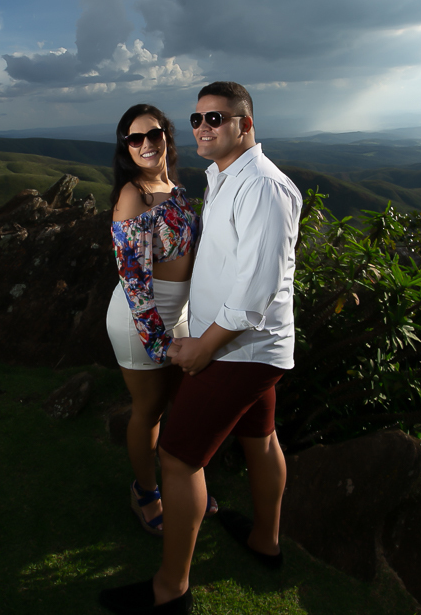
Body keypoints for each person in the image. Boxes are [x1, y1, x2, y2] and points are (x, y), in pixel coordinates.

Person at [99, 82, 301, 615]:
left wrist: (201, 347)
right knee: (260, 436)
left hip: (235, 346)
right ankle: (264, 539)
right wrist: (169, 338)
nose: (204, 127)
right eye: (198, 119)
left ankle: (170, 589)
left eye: (217, 118)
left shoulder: (260, 187)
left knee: (179, 456)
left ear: (245, 124)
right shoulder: (221, 178)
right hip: (207, 335)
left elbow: (255, 292)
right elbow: (136, 275)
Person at [105, 103, 216, 538]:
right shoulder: (133, 195)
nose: (147, 144)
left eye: (153, 134)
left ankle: (183, 483)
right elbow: (132, 277)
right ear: (127, 148)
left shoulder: (174, 188)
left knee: (184, 403)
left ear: (166, 136)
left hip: (179, 314)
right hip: (141, 319)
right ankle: (145, 491)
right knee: (149, 412)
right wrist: (158, 340)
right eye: (136, 139)